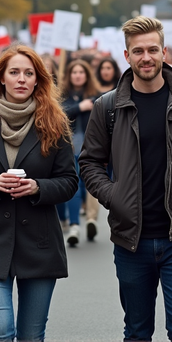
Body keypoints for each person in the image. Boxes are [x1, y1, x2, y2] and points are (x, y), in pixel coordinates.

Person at [80, 16, 172, 342]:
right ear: (127, 56)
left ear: (164, 53)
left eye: (153, 50)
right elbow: (89, 162)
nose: (146, 57)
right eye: (138, 51)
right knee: (137, 333)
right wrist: (112, 196)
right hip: (131, 238)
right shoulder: (108, 107)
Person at [0, 45, 78, 342]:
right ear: (1, 78)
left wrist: (38, 187)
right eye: (14, 72)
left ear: (38, 80)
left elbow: (69, 181)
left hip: (39, 242)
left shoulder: (55, 122)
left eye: (28, 73)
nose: (21, 79)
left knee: (31, 337)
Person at [59, 59, 102, 247]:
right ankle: (74, 225)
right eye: (74, 72)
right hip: (68, 148)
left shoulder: (96, 96)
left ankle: (91, 219)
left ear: (87, 75)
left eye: (81, 72)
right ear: (69, 76)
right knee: (74, 184)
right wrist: (79, 108)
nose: (77, 75)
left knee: (91, 183)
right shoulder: (61, 96)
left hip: (91, 148)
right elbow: (58, 115)